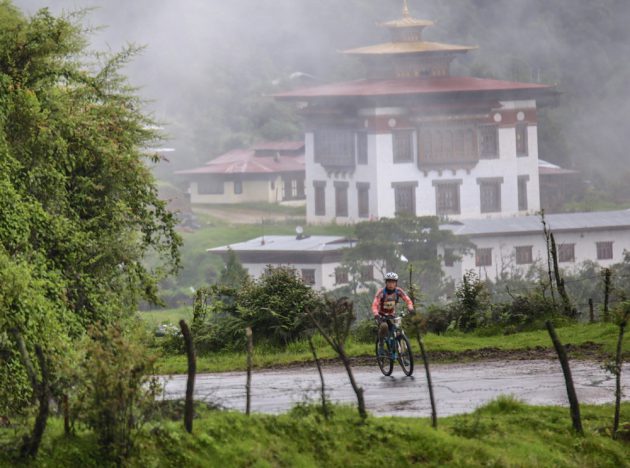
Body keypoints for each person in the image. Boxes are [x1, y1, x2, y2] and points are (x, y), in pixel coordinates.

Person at [371, 272, 414, 348]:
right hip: (381, 315)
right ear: (386, 283)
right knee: (384, 326)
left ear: (396, 283)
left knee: (397, 329)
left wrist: (410, 308)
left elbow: (408, 300)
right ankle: (381, 342)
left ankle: (397, 347)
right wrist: (376, 315)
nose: (391, 284)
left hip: (392, 315)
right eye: (389, 282)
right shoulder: (381, 292)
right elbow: (374, 304)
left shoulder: (398, 291)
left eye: (393, 282)